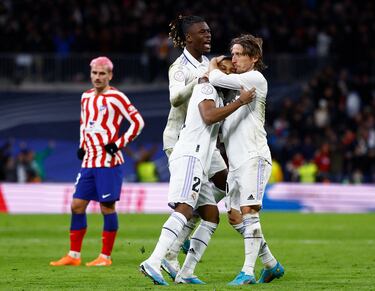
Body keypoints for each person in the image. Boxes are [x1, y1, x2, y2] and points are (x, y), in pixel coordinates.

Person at [140, 57, 255, 285]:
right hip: (190, 156)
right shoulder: (205, 87)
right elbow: (209, 116)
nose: (227, 74)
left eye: (231, 72)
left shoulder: (218, 94)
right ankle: (153, 261)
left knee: (211, 215)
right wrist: (240, 102)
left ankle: (186, 272)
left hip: (200, 160)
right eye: (223, 69)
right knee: (184, 209)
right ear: (214, 71)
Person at [160, 15, 241, 280]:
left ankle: (182, 235)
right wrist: (203, 79)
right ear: (188, 38)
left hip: (204, 142)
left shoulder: (208, 64)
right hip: (180, 141)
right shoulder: (180, 67)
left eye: (209, 31)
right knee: (193, 201)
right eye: (202, 32)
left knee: (225, 183)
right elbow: (174, 99)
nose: (208, 35)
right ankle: (169, 253)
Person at [50, 56, 144, 267]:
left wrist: (119, 143)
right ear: (90, 73)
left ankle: (105, 257)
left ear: (110, 75)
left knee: (107, 207)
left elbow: (138, 122)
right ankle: (74, 255)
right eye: (94, 73)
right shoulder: (86, 97)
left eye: (102, 74)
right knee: (76, 205)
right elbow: (85, 123)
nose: (98, 77)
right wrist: (82, 145)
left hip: (108, 162)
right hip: (89, 160)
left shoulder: (117, 97)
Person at [209, 34, 285, 285]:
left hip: (254, 157)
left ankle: (248, 273)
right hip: (236, 164)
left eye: (240, 53)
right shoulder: (233, 92)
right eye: (233, 53)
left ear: (254, 58)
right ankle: (271, 264)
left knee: (249, 211)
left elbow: (216, 76)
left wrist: (213, 64)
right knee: (234, 217)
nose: (235, 58)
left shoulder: (254, 79)